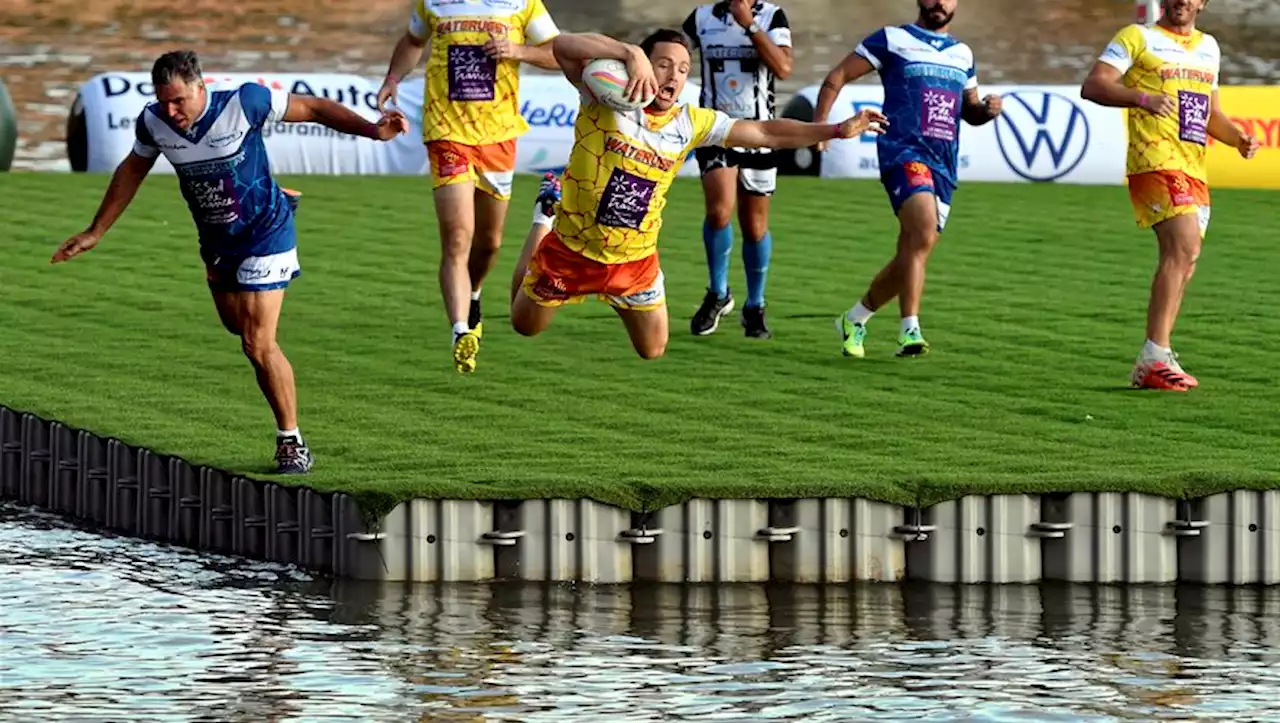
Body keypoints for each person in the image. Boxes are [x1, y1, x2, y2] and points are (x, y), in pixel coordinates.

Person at [49, 50, 410, 474]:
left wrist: (371, 131)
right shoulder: (154, 123)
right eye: (164, 100)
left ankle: (291, 442)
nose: (172, 110)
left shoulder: (246, 103)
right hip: (219, 241)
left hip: (266, 233)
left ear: (201, 87)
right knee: (235, 325)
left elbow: (312, 107)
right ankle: (279, 198)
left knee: (257, 343)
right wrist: (96, 231)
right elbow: (132, 169)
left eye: (179, 100)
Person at [507, 29, 887, 359]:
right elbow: (563, 46)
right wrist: (628, 51)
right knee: (524, 325)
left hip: (633, 260)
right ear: (641, 67)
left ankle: (614, 288)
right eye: (663, 64)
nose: (674, 75)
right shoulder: (602, 94)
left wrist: (835, 130)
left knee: (652, 350)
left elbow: (767, 133)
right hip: (572, 249)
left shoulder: (692, 121)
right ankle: (545, 216)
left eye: (684, 69)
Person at [377, 0, 563, 374]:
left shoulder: (522, 4)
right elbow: (413, 41)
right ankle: (461, 329)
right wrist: (392, 79)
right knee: (458, 237)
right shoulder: (433, 3)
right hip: (447, 133)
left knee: (489, 242)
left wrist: (519, 50)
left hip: (498, 136)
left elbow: (558, 52)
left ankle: (474, 292)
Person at [1081, 0, 1258, 391]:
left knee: (1186, 259)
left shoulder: (1209, 47)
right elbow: (1093, 85)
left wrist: (1237, 139)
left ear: (1202, 3)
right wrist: (1142, 98)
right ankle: (1155, 353)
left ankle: (1155, 358)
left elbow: (1211, 114)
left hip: (1193, 165)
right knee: (1184, 246)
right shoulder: (1137, 36)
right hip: (1155, 160)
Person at [814, 0, 1001, 359]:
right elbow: (836, 77)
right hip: (902, 152)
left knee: (914, 249)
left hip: (943, 163)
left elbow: (971, 111)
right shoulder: (892, 39)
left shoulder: (964, 54)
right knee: (924, 233)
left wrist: (987, 111)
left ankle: (855, 318)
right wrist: (821, 128)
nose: (939, 3)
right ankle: (909, 329)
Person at [682, 0, 794, 339]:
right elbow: (675, 54)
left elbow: (784, 68)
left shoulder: (772, 16)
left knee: (755, 226)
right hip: (716, 130)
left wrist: (750, 25)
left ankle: (754, 306)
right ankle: (718, 292)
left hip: (761, 132)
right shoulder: (700, 18)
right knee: (718, 212)